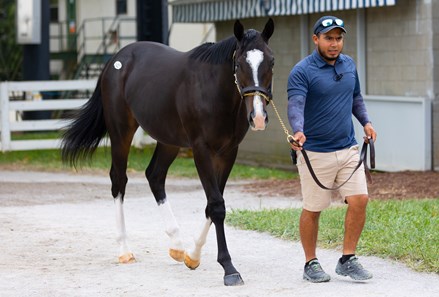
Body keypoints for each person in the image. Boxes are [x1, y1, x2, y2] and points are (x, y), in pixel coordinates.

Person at [287, 16, 377, 283]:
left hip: (348, 148)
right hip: (315, 152)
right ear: (316, 39)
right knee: (313, 209)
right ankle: (310, 263)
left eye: (339, 38)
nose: (335, 43)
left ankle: (347, 259)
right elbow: (296, 104)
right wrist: (298, 129)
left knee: (360, 199)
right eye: (328, 38)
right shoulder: (302, 71)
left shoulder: (349, 65)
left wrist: (367, 122)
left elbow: (355, 98)